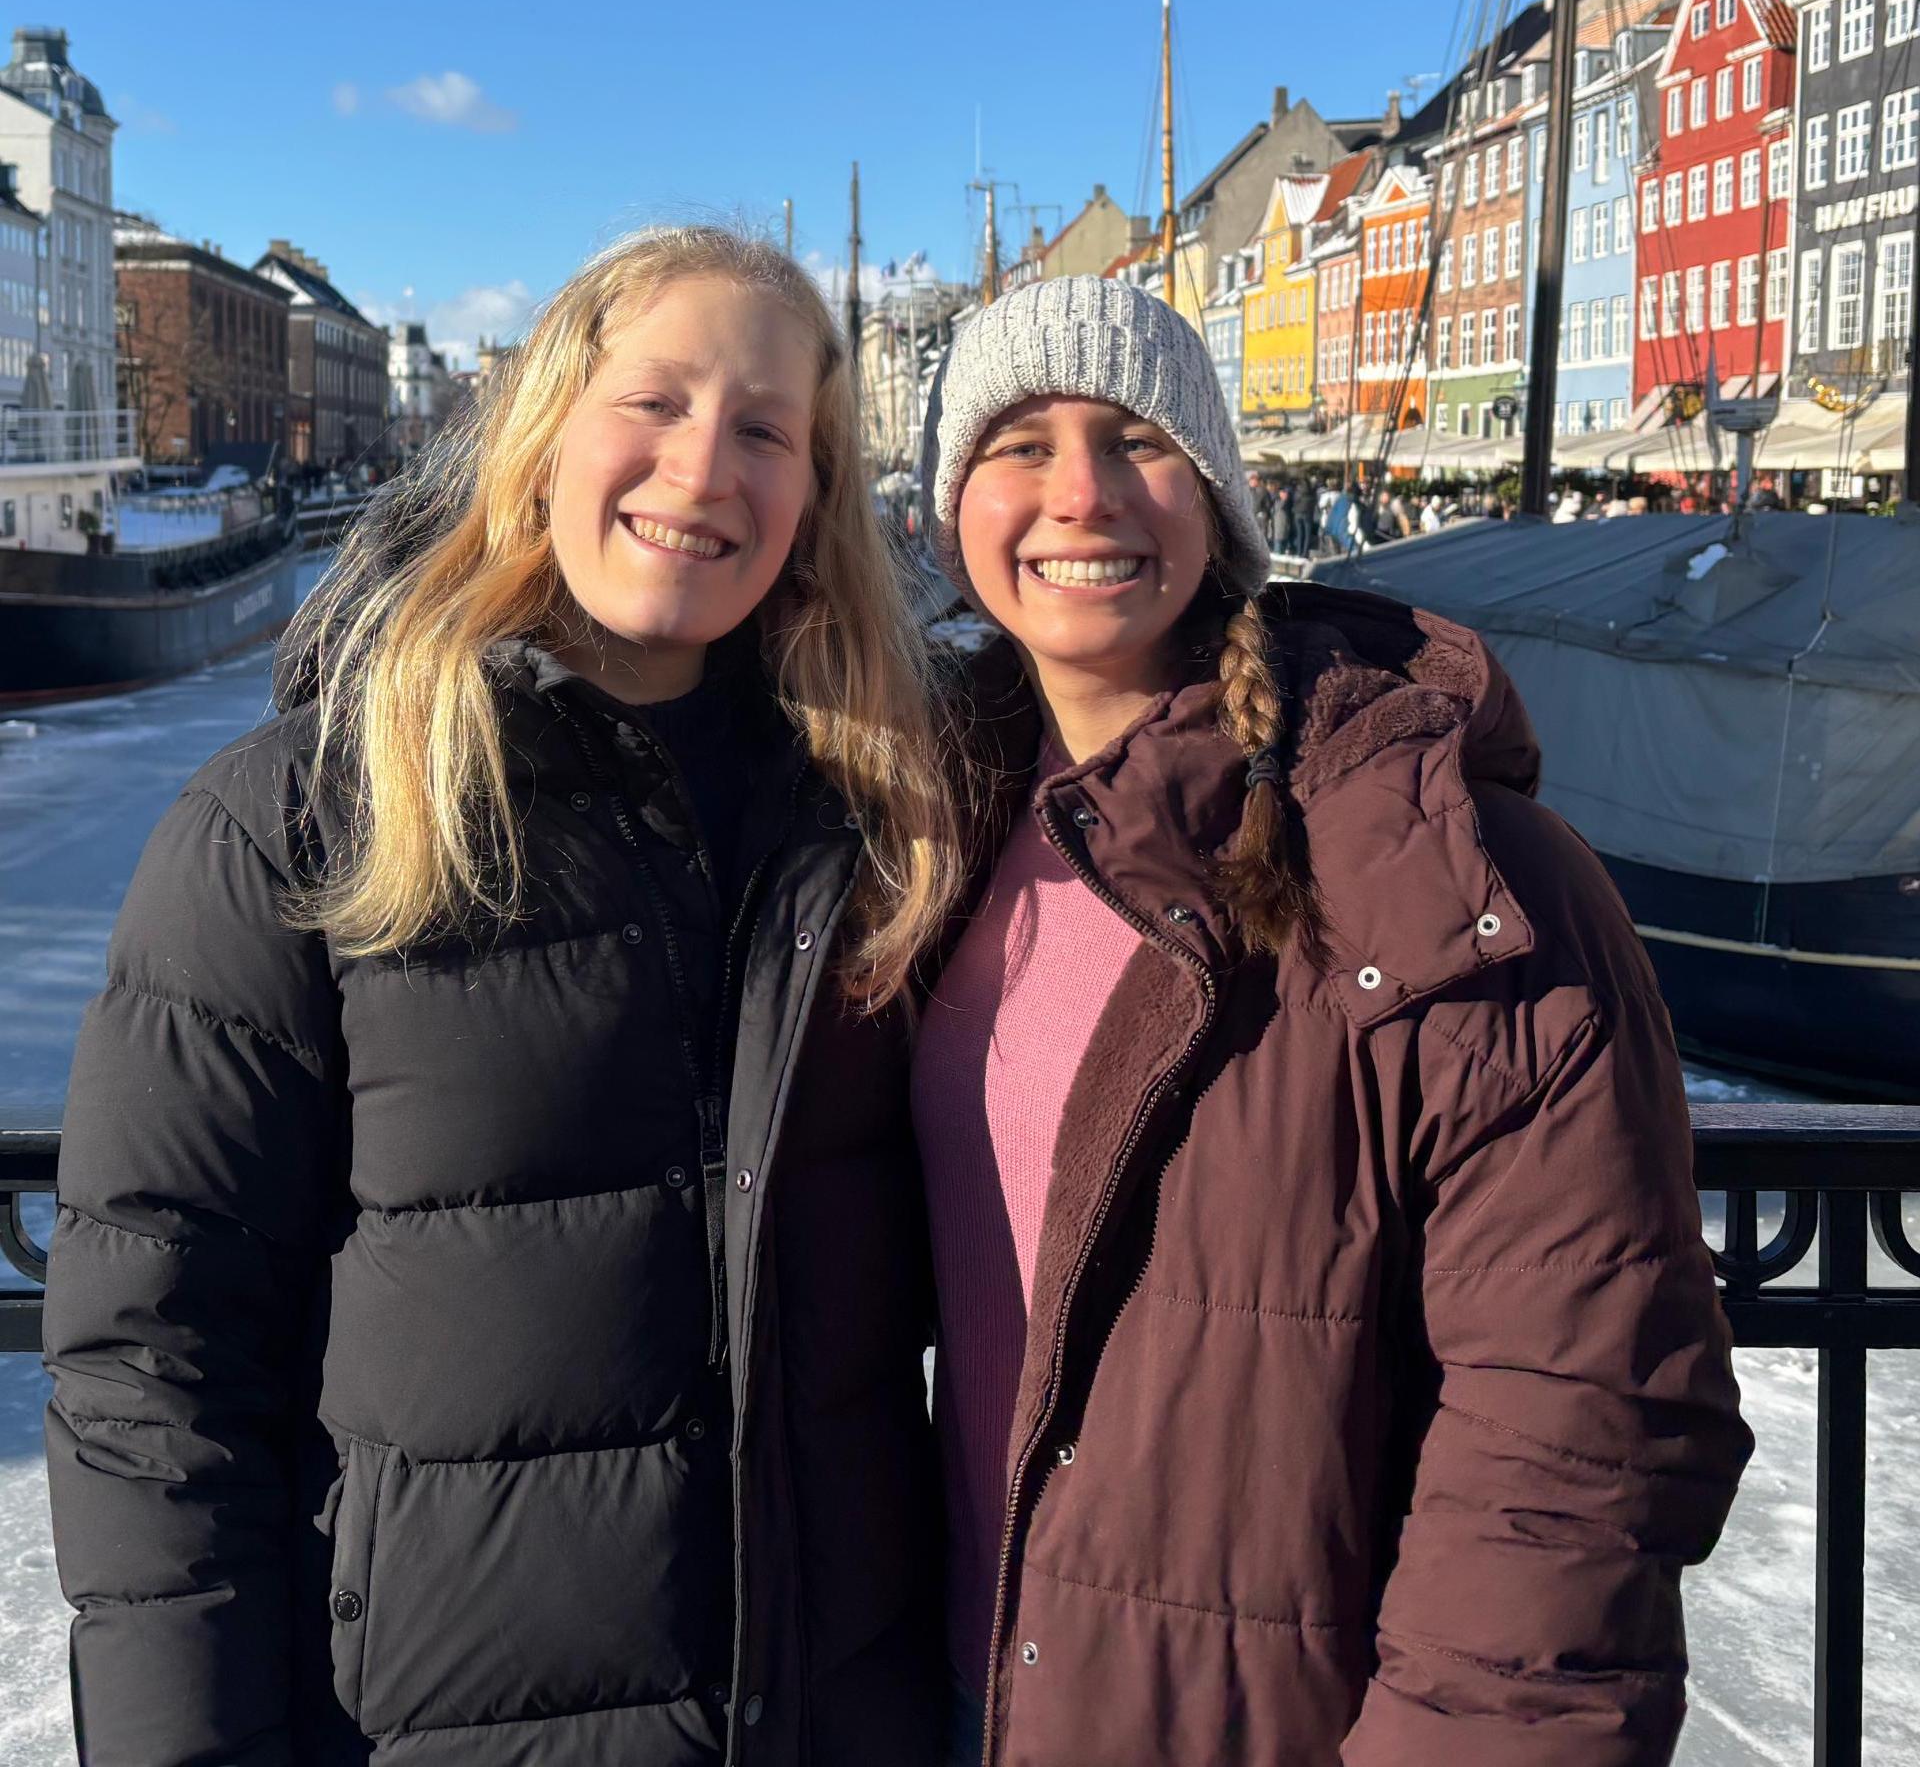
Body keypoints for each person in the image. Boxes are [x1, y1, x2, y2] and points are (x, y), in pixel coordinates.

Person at [44, 227, 961, 1766]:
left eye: (764, 429)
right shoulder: (306, 820)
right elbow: (155, 1358)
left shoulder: (889, 827)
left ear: (814, 495)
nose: (703, 468)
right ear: (543, 433)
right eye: (654, 402)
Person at [911, 277, 1750, 1767]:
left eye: (1136, 439)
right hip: (963, 1693)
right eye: (1018, 445)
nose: (1081, 493)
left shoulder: (1445, 871)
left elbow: (1576, 1431)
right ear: (951, 509)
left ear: (1220, 503)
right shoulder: (935, 837)